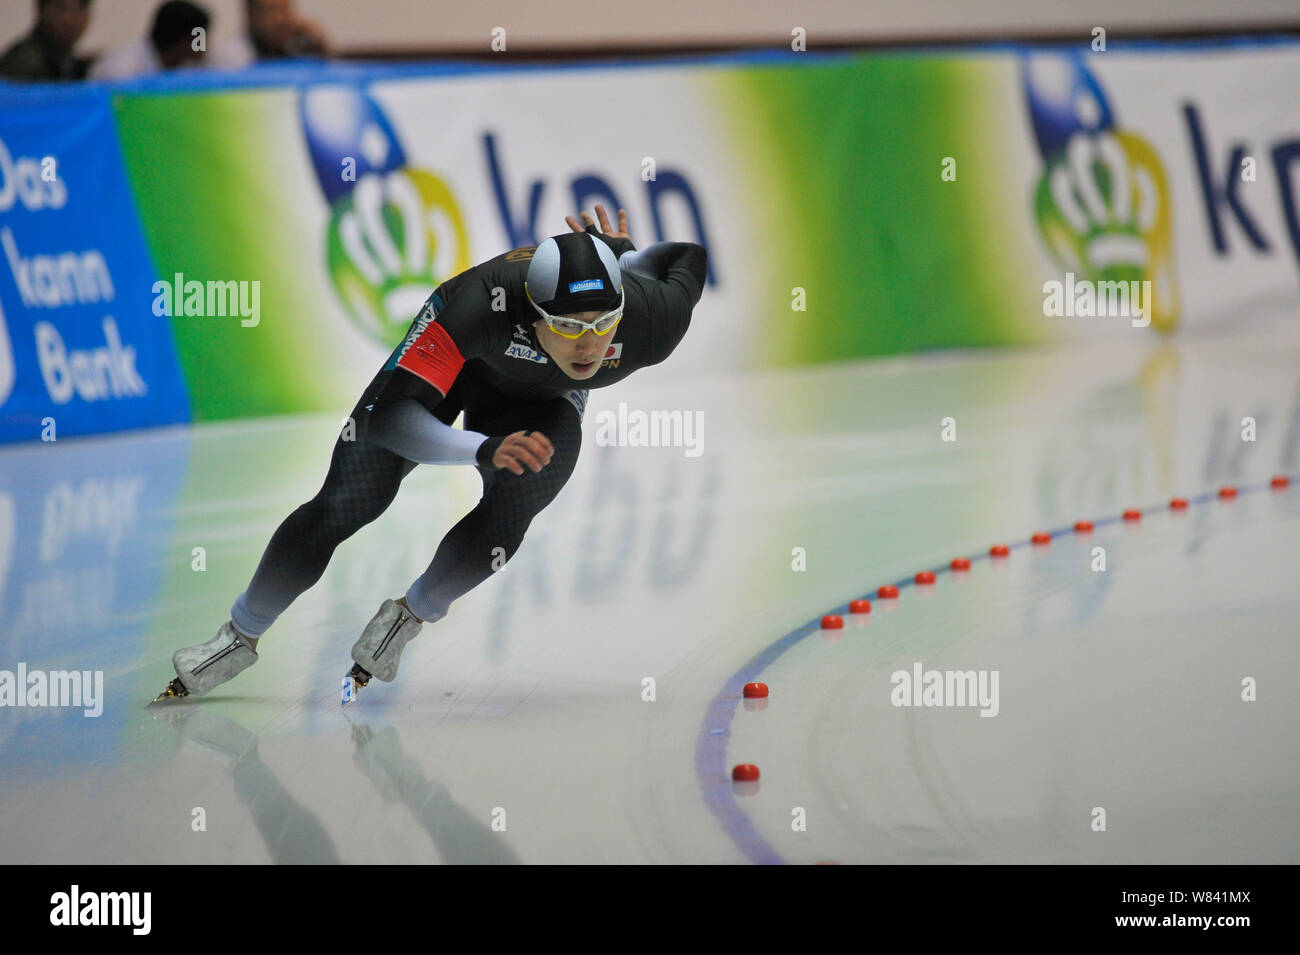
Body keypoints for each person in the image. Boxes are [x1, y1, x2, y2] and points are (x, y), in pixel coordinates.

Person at [154, 205, 708, 705]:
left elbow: (688, 257)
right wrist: (482, 448)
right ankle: (240, 634)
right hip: (455, 361)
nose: (588, 346)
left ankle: (409, 615)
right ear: (534, 313)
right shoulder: (480, 304)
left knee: (522, 495)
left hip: (541, 397)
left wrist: (631, 258)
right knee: (349, 500)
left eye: (601, 325)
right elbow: (393, 420)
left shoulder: (652, 320)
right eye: (567, 327)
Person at [89, 1, 210, 80]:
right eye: (202, 37)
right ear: (185, 41)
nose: (207, 44)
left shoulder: (190, 67)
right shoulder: (121, 70)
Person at [208, 0, 327, 70]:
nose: (280, 19)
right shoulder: (229, 55)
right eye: (271, 11)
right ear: (250, 16)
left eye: (284, 10)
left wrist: (319, 51)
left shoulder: (298, 45)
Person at [0, 0, 91, 82]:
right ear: (41, 10)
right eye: (61, 9)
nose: (69, 19)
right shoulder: (23, 63)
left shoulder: (68, 63)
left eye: (79, 9)